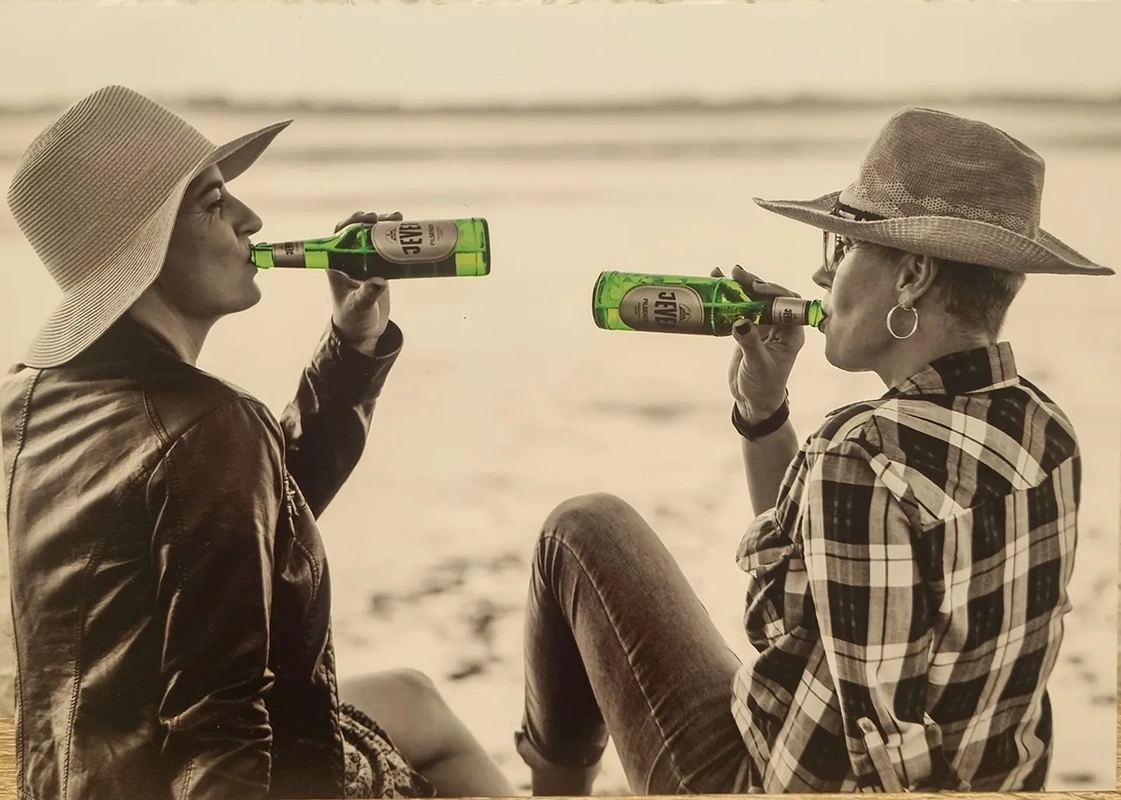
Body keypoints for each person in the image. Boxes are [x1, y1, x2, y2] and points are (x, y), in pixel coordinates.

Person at [511, 106, 1114, 795]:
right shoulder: (1046, 431)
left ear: (911, 276)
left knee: (582, 528)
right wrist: (762, 413)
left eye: (842, 248)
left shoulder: (861, 453)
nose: (821, 277)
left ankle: (551, 788)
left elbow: (870, 751)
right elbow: (836, 573)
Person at [1, 85, 513, 800]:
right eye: (213, 203)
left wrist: (351, 343)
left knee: (412, 696)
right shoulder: (211, 422)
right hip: (227, 777)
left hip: (80, 771)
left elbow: (232, 518)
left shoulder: (25, 406)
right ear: (144, 253)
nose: (252, 219)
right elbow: (220, 727)